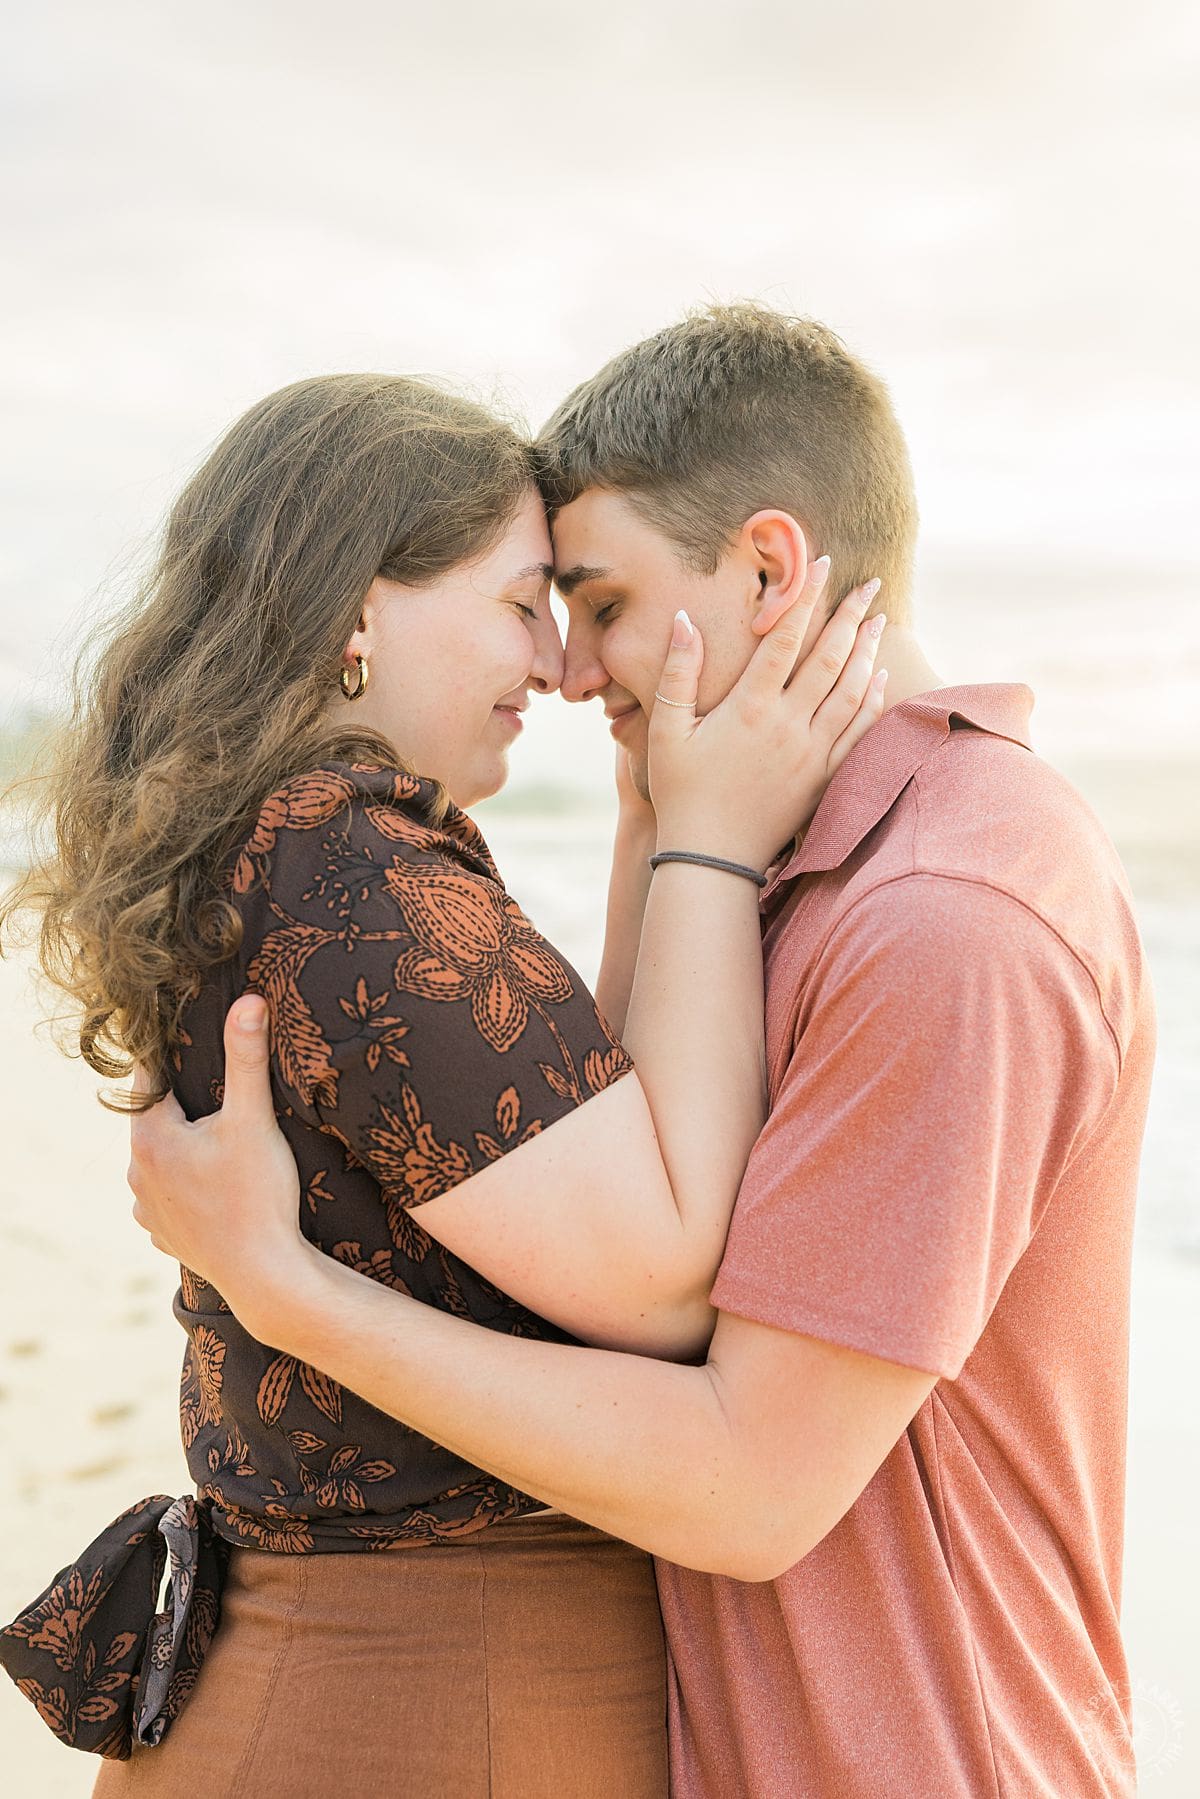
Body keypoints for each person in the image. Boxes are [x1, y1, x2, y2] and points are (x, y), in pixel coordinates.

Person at [121, 305, 1153, 1798]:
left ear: (770, 571)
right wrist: (669, 830)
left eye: (597, 602)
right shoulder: (777, 872)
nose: (569, 668)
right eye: (539, 606)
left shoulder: (948, 916)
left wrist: (285, 1290)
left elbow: (746, 1481)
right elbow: (609, 1178)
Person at [0, 367, 884, 1795]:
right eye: (523, 602)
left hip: (346, 1688)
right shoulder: (349, 866)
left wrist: (651, 823)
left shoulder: (286, 848)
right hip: (422, 1704)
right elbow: (663, 1281)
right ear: (360, 608)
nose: (554, 661)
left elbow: (591, 1135)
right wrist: (713, 847)